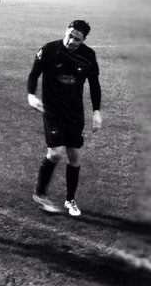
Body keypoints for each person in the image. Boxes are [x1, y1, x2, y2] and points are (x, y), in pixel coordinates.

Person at [27, 19, 102, 217]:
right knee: (55, 153)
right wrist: (31, 95)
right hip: (52, 111)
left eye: (77, 39)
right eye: (70, 35)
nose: (71, 41)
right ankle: (40, 194)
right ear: (66, 30)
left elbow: (94, 84)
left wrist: (96, 111)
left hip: (75, 113)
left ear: (83, 40)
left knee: (74, 156)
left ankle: (70, 200)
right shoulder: (48, 50)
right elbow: (34, 74)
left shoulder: (88, 56)